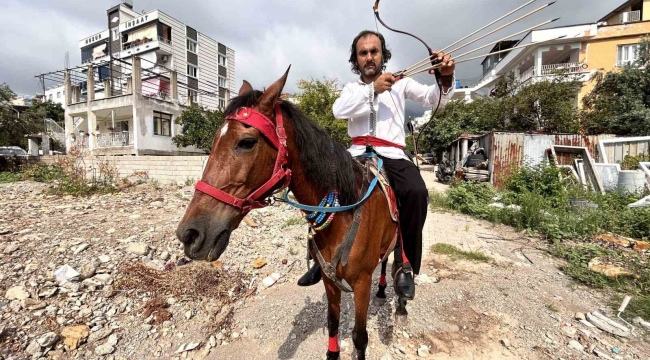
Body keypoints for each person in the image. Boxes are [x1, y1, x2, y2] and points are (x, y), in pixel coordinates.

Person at [297, 30, 456, 300]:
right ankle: (318, 256)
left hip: (392, 154)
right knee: (320, 187)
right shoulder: (352, 89)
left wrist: (446, 75)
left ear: (383, 54)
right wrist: (373, 90)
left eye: (374, 51)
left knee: (416, 192)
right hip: (356, 154)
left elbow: (435, 98)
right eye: (363, 53)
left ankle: (405, 264)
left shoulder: (402, 84)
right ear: (356, 59)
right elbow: (339, 111)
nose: (369, 57)